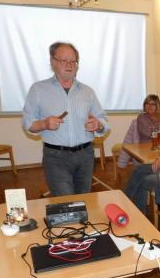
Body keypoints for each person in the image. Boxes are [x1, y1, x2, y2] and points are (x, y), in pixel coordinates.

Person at [22, 42, 110, 196]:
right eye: (64, 60)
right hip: (56, 157)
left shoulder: (87, 91)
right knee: (66, 201)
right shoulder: (38, 89)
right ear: (52, 61)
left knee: (84, 199)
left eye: (73, 61)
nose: (69, 65)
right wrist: (44, 124)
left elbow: (103, 120)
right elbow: (28, 123)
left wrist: (98, 125)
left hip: (86, 155)